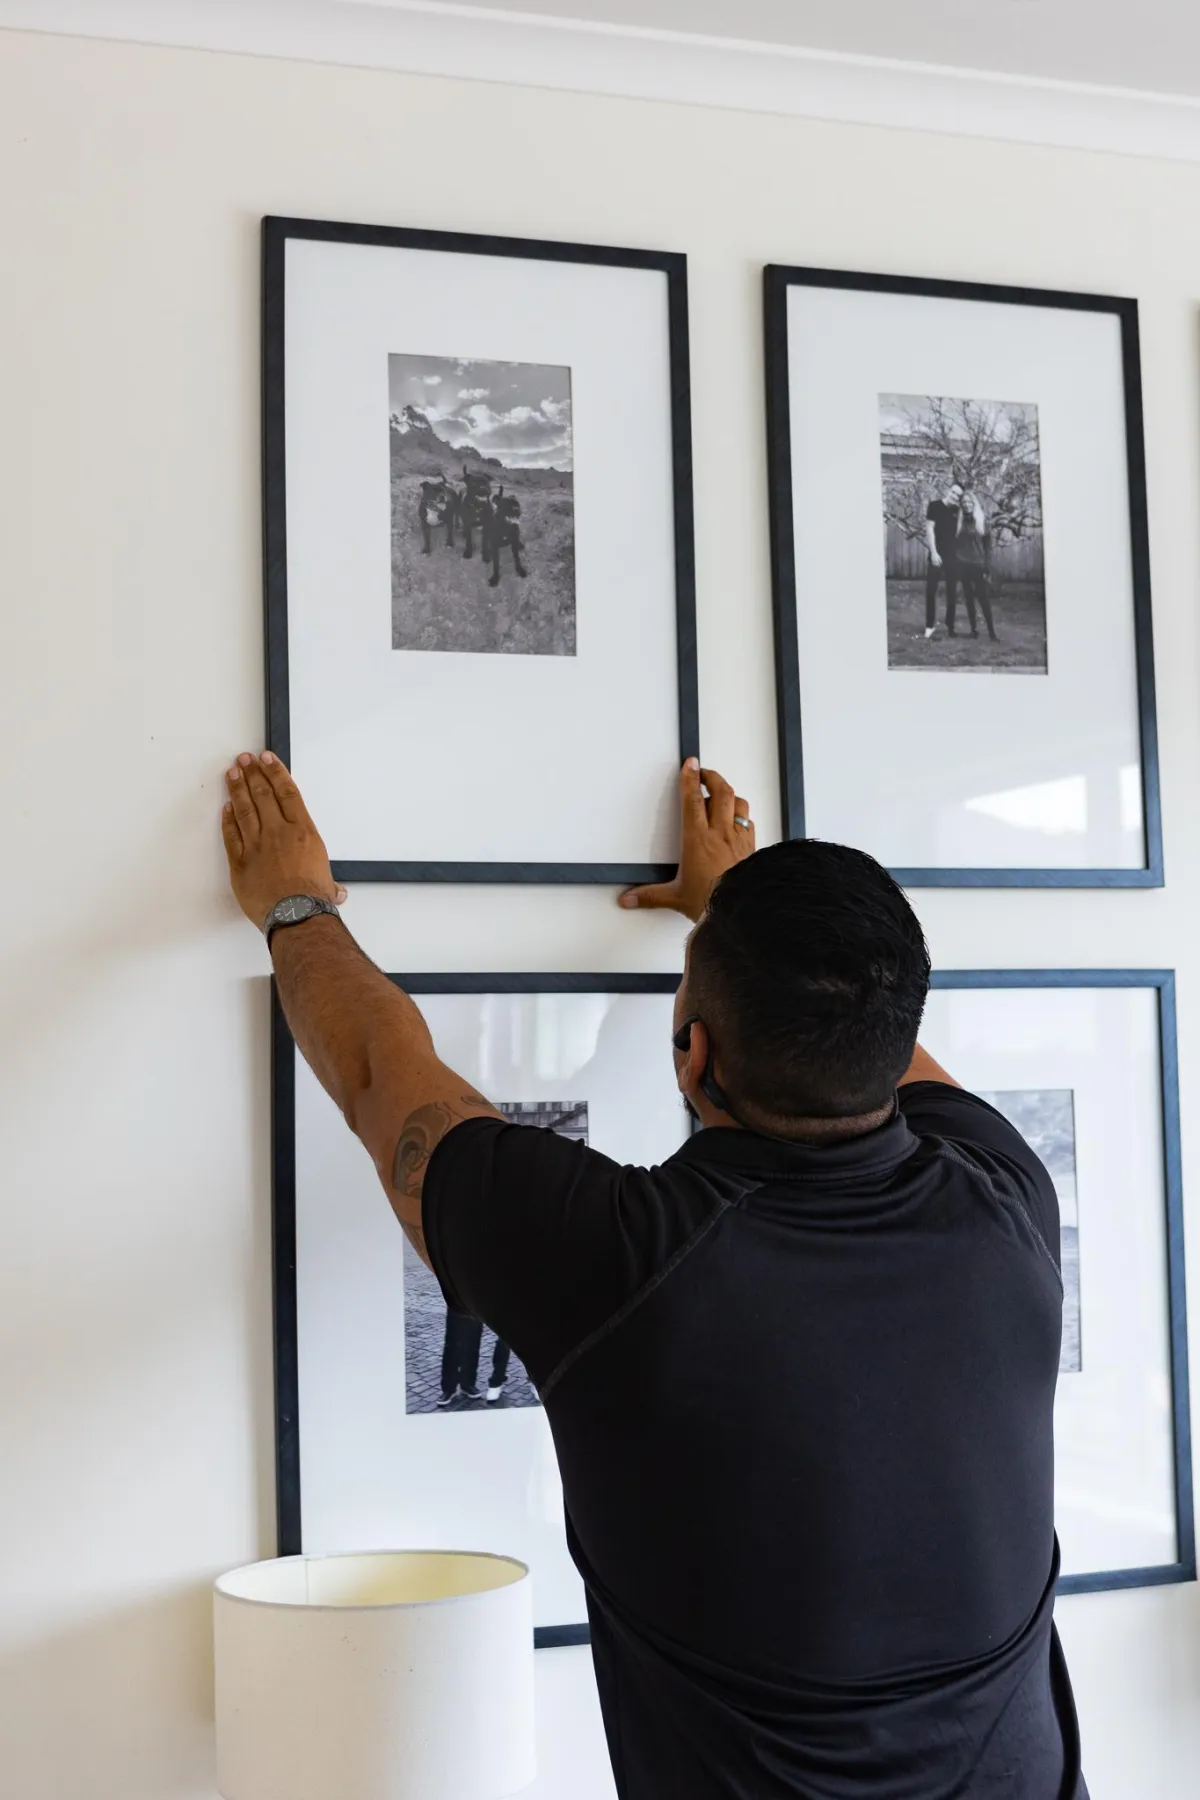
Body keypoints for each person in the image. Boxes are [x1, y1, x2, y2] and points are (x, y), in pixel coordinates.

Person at [221, 750, 1087, 1800]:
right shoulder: (1009, 1198)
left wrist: (293, 903)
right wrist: (735, 925)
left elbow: (376, 1074)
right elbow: (866, 1047)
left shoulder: (620, 1261)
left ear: (691, 1052)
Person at [956, 488, 998, 642]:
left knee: (983, 599)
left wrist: (987, 566)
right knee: (968, 599)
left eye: (969, 502)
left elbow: (988, 546)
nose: (966, 505)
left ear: (974, 504)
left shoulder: (982, 521)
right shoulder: (959, 522)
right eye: (964, 502)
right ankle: (973, 630)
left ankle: (992, 633)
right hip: (963, 565)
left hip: (978, 565)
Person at [922, 479, 963, 638]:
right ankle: (929, 625)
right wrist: (933, 552)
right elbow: (929, 530)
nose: (954, 496)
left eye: (958, 495)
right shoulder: (935, 506)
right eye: (953, 492)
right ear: (948, 490)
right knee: (931, 590)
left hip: (953, 556)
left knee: (952, 591)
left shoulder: (958, 512)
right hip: (937, 555)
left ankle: (950, 626)